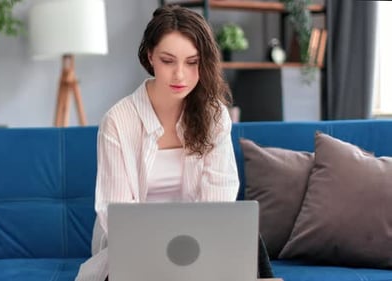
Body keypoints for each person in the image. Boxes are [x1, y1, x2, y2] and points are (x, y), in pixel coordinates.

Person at [75, 5, 271, 281]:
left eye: (192, 62)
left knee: (250, 237)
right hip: (136, 245)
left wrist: (197, 249)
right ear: (150, 56)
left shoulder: (214, 115)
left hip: (201, 238)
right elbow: (115, 213)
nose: (180, 75)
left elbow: (220, 198)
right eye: (168, 61)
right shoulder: (118, 122)